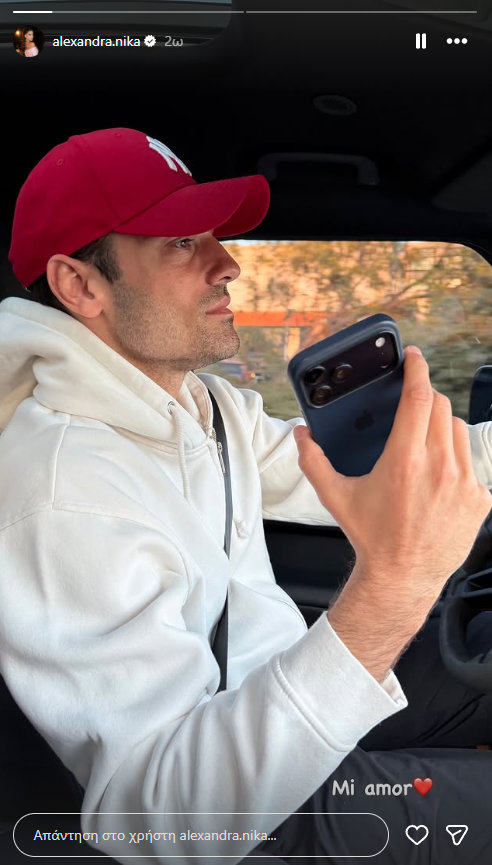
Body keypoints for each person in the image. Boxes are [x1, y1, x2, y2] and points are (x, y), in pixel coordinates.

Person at [1, 127, 492, 864]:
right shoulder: (62, 490)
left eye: (212, 236)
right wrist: (397, 583)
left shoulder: (203, 404)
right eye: (180, 242)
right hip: (246, 806)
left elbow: (343, 470)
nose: (227, 263)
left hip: (283, 686)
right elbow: (165, 820)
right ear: (80, 285)